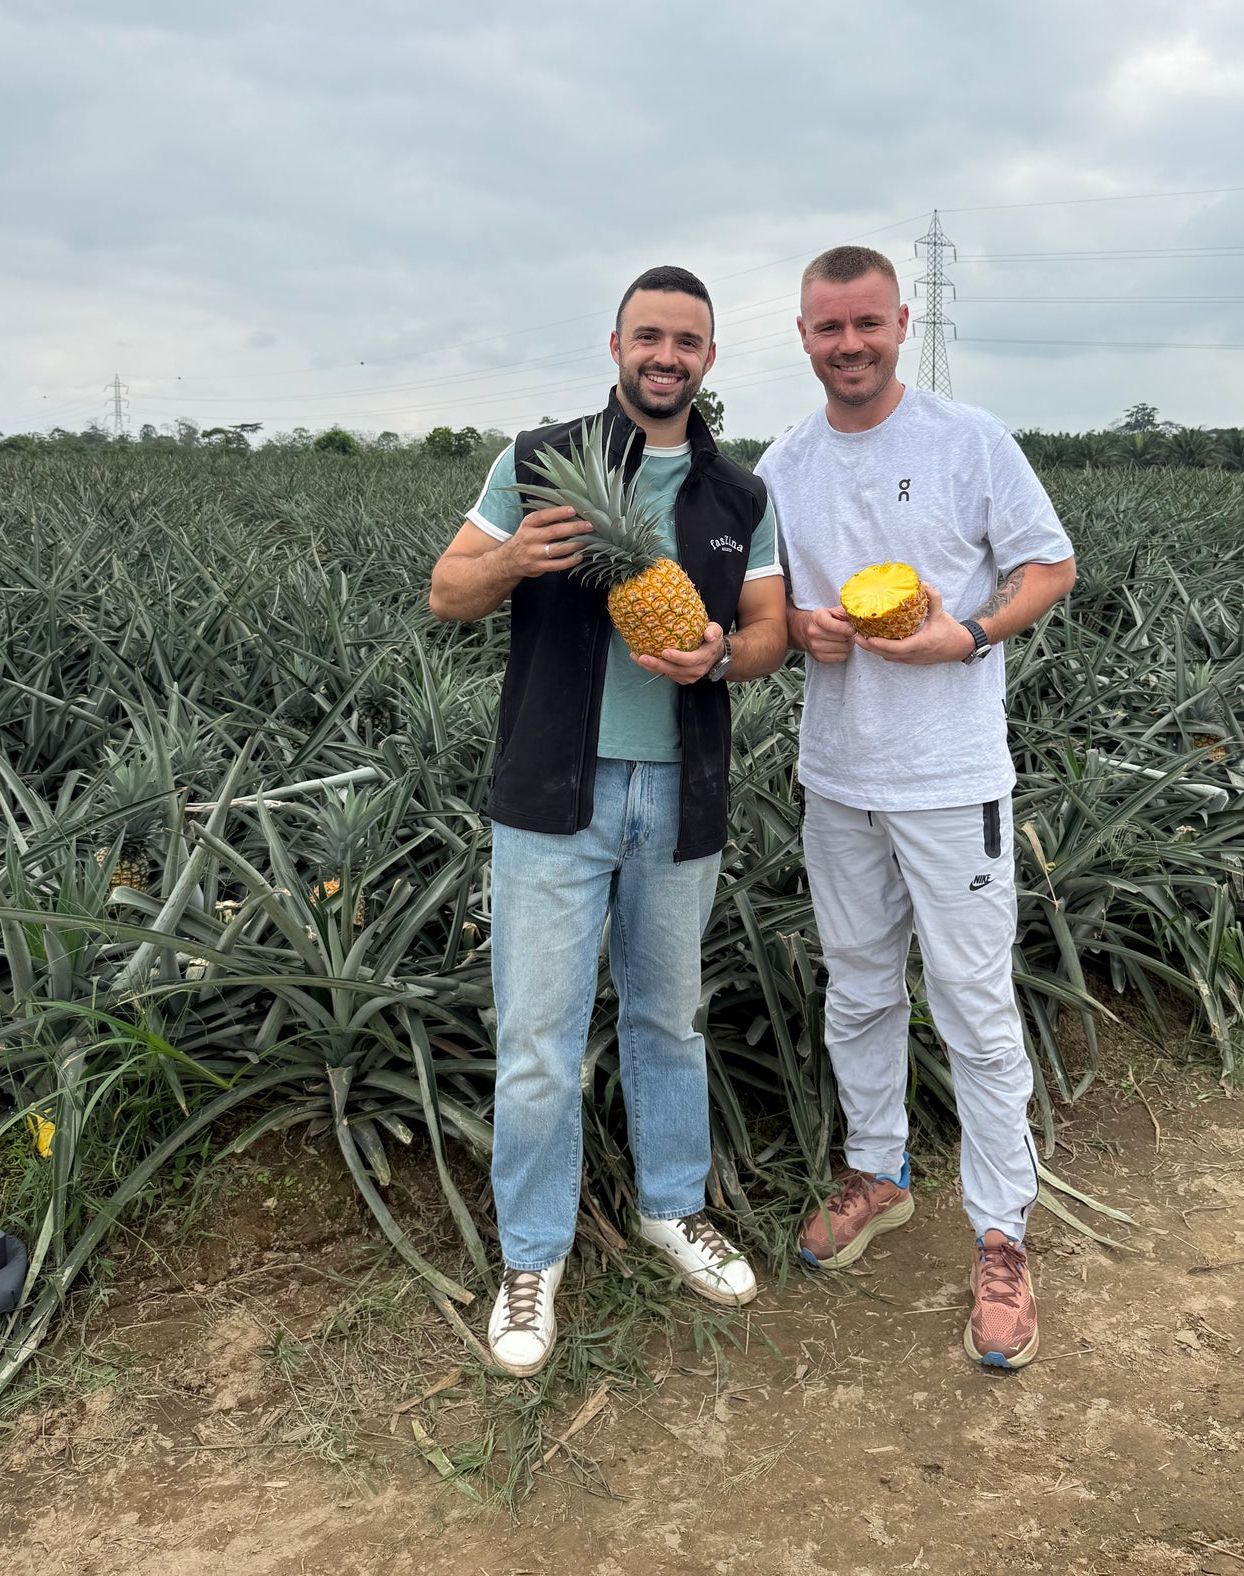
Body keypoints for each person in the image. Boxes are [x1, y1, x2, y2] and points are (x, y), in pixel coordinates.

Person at [429, 266, 788, 1376]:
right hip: (553, 794)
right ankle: (531, 1254)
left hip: (681, 793)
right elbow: (446, 591)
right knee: (537, 1036)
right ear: (618, 344)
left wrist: (721, 651)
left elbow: (771, 629)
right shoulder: (537, 460)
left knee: (668, 1016)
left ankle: (670, 1206)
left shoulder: (737, 492)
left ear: (710, 358)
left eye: (687, 339)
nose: (665, 354)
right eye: (649, 335)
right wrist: (513, 558)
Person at [755, 245, 1076, 1372]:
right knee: (857, 986)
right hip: (838, 776)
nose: (849, 345)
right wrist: (801, 629)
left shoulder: (967, 437)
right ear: (802, 334)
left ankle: (1002, 1232)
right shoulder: (781, 462)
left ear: (900, 321)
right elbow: (770, 606)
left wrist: (969, 632)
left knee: (976, 1003)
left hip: (951, 779)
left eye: (867, 325)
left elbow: (1050, 564)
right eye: (827, 328)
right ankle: (878, 1171)